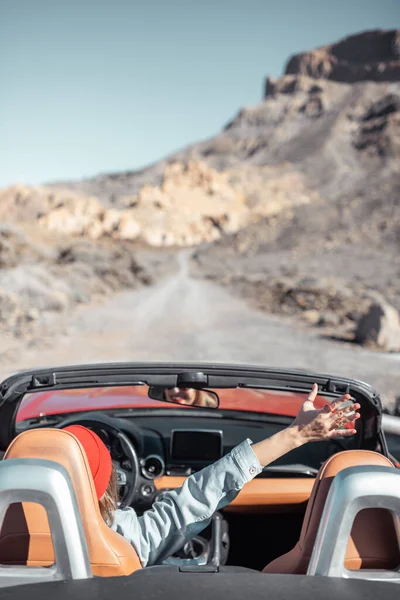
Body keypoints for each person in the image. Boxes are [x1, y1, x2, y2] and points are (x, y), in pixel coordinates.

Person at [64, 384, 360, 568]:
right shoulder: (121, 541)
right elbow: (193, 500)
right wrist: (298, 434)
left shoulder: (17, 537)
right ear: (106, 489)